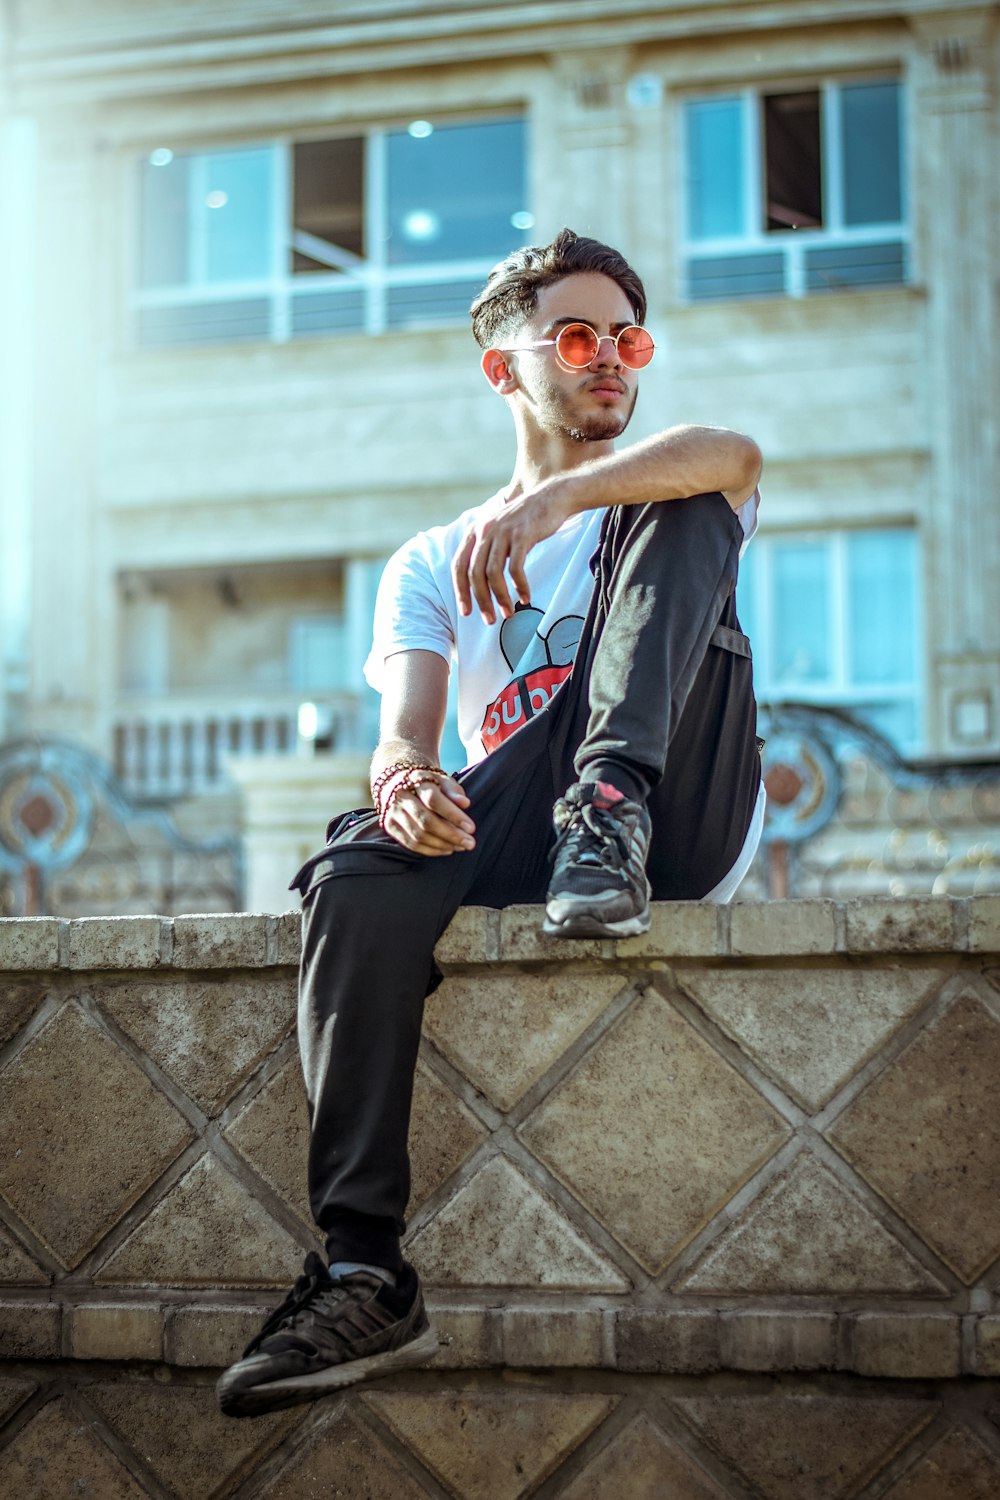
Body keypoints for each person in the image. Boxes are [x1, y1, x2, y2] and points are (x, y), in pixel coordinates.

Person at [218, 228, 765, 1419]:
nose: (609, 359)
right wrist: (404, 780)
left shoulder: (659, 491)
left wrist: (565, 494)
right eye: (575, 337)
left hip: (673, 807)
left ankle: (608, 803)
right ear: (504, 369)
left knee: (683, 498)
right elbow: (406, 728)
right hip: (525, 824)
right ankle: (363, 1268)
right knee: (352, 868)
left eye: (628, 338)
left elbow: (734, 452)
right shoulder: (429, 559)